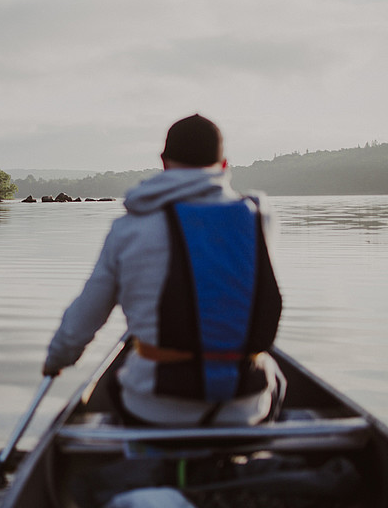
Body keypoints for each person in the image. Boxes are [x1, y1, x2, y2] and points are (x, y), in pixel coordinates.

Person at [43, 114, 285, 426]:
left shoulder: (129, 228)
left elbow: (84, 320)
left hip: (154, 408)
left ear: (164, 162)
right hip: (246, 408)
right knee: (275, 376)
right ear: (224, 166)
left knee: (120, 383)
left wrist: (57, 360)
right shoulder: (261, 219)